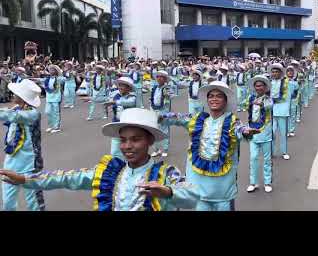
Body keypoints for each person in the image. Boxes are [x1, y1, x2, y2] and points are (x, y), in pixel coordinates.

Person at [0, 108, 200, 211]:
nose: (127, 146)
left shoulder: (165, 173)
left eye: (135, 140)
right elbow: (67, 178)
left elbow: (191, 195)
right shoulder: (110, 173)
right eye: (123, 140)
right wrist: (25, 180)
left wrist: (167, 191)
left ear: (149, 140)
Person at [158, 81, 259, 211]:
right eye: (211, 96)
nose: (214, 99)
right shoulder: (197, 119)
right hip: (199, 189)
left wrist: (246, 131)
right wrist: (158, 117)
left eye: (219, 96)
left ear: (225, 100)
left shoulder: (233, 122)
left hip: (222, 191)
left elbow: (240, 129)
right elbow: (178, 117)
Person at [0, 79, 45, 210]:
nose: (13, 95)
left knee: (34, 202)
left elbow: (13, 116)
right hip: (12, 160)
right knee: (8, 201)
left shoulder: (33, 114)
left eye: (16, 93)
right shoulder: (17, 109)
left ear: (23, 98)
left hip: (30, 163)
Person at [245, 75, 273, 193]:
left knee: (266, 159)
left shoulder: (268, 98)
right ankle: (253, 182)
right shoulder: (250, 97)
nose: (258, 87)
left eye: (261, 85)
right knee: (253, 158)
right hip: (253, 132)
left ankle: (267, 182)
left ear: (265, 87)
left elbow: (269, 106)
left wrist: (261, 104)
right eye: (256, 86)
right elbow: (244, 105)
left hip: (265, 132)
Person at [104, 77, 137, 158]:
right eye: (119, 85)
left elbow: (130, 103)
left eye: (123, 86)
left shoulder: (132, 97)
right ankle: (118, 165)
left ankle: (128, 165)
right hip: (116, 124)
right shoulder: (116, 95)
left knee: (128, 149)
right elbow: (108, 103)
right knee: (114, 151)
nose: (120, 87)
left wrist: (114, 102)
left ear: (129, 88)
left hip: (128, 125)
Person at [268, 63, 295, 160]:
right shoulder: (269, 82)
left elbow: (290, 94)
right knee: (272, 132)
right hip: (271, 110)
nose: (274, 74)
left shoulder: (286, 82)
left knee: (283, 133)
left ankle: (284, 152)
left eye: (276, 72)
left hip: (282, 110)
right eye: (273, 72)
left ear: (280, 73)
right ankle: (272, 151)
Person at [31, 64, 65, 133]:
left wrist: (60, 74)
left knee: (56, 112)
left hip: (56, 98)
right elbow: (40, 80)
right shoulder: (47, 79)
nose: (51, 71)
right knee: (48, 111)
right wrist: (32, 79)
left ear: (56, 71)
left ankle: (56, 127)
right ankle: (51, 125)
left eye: (53, 70)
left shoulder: (59, 78)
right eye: (50, 70)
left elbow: (64, 79)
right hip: (49, 98)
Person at [150, 71, 174, 158]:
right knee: (153, 130)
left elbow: (169, 98)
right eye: (158, 77)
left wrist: (163, 114)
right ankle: (156, 150)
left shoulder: (167, 88)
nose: (159, 78)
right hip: (154, 110)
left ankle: (165, 149)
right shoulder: (155, 88)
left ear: (165, 79)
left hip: (163, 112)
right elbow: (152, 100)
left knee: (164, 130)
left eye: (162, 77)